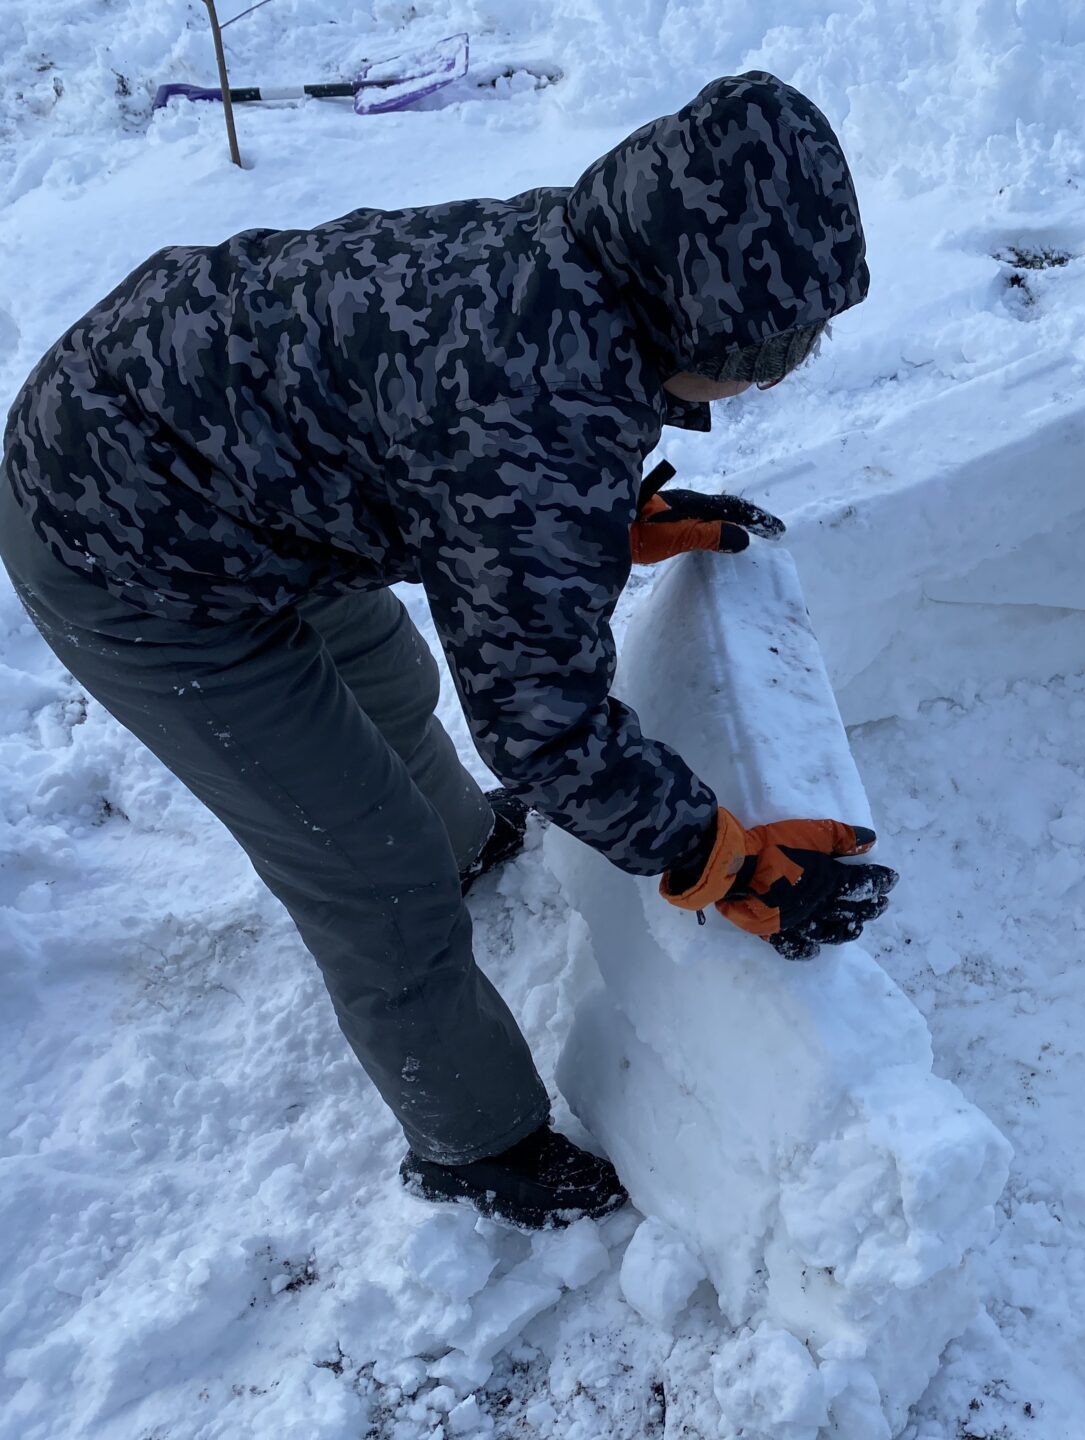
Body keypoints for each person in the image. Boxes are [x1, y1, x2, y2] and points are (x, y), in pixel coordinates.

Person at [0, 72, 896, 1230]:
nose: (775, 374)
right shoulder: (543, 424)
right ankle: (475, 1141)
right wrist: (722, 863)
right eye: (770, 351)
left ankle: (464, 841)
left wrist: (594, 525)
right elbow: (544, 728)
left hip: (201, 444)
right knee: (371, 869)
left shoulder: (579, 250)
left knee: (389, 679)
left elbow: (445, 447)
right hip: (123, 552)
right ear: (704, 322)